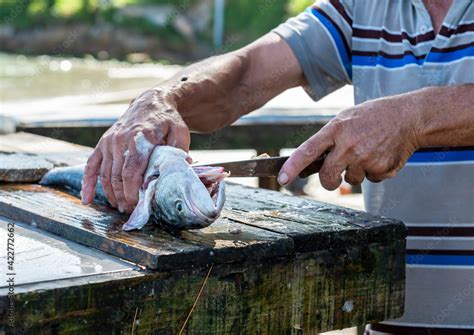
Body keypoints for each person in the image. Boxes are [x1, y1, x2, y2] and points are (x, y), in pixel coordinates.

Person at [82, 0, 474, 333]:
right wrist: (161, 98)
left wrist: (413, 116)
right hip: (394, 318)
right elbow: (246, 74)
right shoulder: (363, 6)